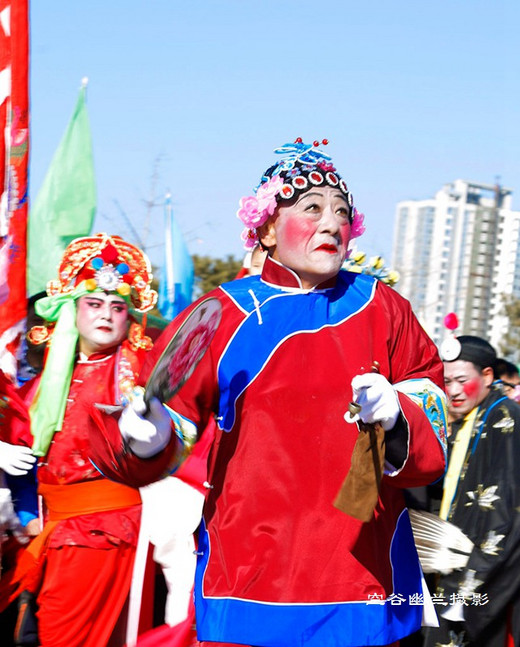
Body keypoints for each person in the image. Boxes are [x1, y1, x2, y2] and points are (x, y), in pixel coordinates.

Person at [94, 140, 448, 647]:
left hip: (364, 571)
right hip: (249, 567)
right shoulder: (220, 312)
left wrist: (400, 416)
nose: (332, 223)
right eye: (312, 209)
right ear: (266, 228)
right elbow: (169, 414)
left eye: (342, 212)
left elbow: (431, 415)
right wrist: (148, 436)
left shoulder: (384, 307)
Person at [9, 233, 179, 647]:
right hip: (42, 529)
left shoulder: (138, 378)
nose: (106, 314)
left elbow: (173, 449)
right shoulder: (44, 382)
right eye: (94, 303)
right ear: (71, 311)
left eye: (117, 307)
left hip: (99, 532)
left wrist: (153, 437)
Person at [423, 335, 520, 646]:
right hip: (451, 566)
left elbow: (506, 510)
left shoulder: (505, 418)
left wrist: (467, 586)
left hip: (479, 577)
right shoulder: (470, 418)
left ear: (487, 376)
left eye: (461, 380)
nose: (452, 390)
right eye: (446, 380)